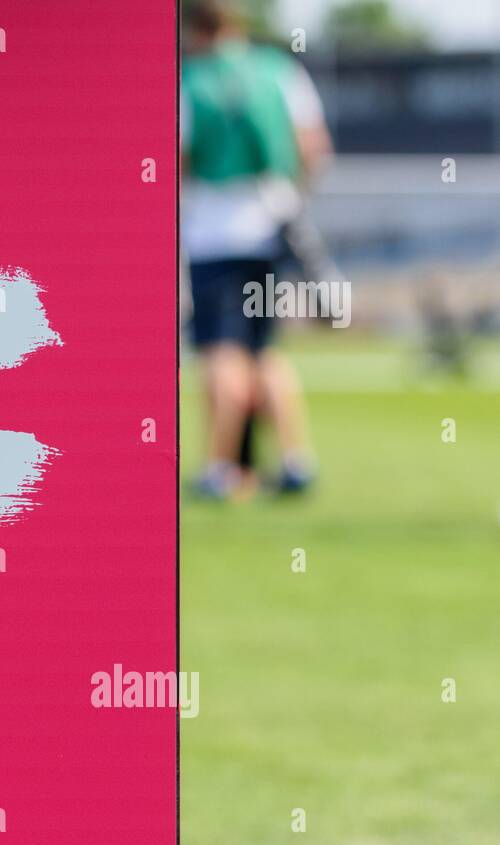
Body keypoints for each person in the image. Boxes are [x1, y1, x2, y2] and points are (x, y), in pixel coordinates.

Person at [181, 0, 330, 498]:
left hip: (214, 235)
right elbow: (313, 148)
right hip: (273, 229)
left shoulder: (188, 80)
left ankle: (220, 469)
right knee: (264, 350)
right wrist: (291, 199)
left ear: (195, 29)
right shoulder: (280, 71)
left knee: (223, 353)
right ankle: (294, 460)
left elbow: (179, 157)